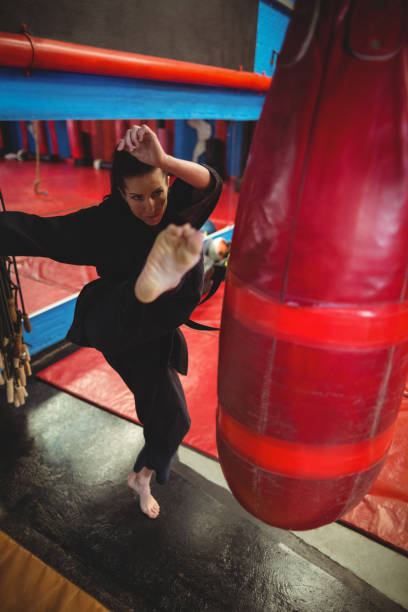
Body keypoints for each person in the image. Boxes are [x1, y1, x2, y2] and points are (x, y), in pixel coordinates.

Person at [0, 124, 223, 519]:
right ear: (121, 193)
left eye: (158, 191)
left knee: (174, 417)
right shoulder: (104, 224)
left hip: (158, 325)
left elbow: (211, 185)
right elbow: (39, 233)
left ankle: (143, 473)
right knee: (173, 415)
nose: (151, 207)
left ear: (167, 182)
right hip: (119, 323)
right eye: (137, 197)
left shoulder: (171, 206)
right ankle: (149, 285)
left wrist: (163, 160)